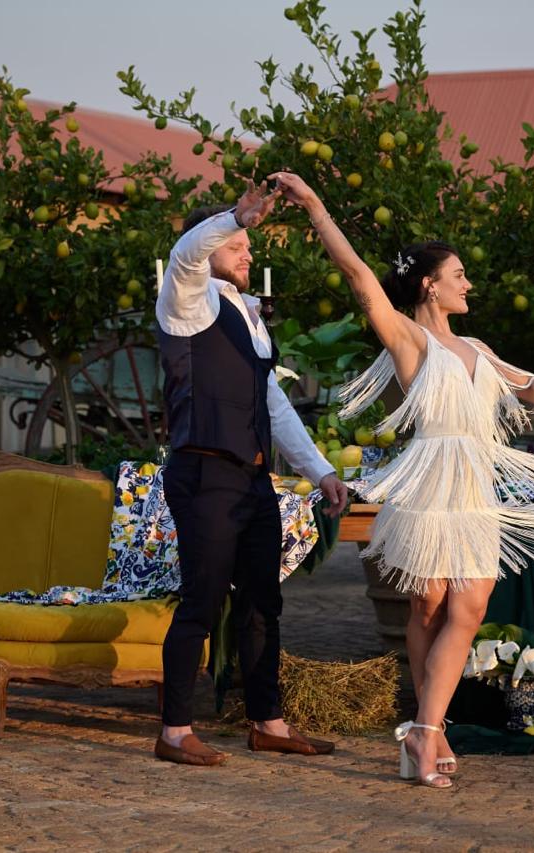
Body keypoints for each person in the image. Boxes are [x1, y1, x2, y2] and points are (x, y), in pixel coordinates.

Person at [270, 170, 534, 788]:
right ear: (430, 286)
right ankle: (427, 736)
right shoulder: (408, 340)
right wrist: (316, 208)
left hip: (474, 489)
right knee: (430, 605)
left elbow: (526, 379)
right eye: (459, 275)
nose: (469, 283)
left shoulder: (478, 348)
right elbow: (359, 278)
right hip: (429, 484)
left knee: (471, 604)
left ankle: (425, 730)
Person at [152, 183, 348, 766]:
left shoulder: (248, 316)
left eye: (246, 242)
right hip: (205, 472)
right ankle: (174, 732)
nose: (247, 252)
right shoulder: (186, 299)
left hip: (253, 481)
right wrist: (231, 216)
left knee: (264, 603)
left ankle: (268, 722)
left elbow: (272, 404)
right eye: (236, 243)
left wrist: (319, 470)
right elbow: (187, 254)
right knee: (202, 601)